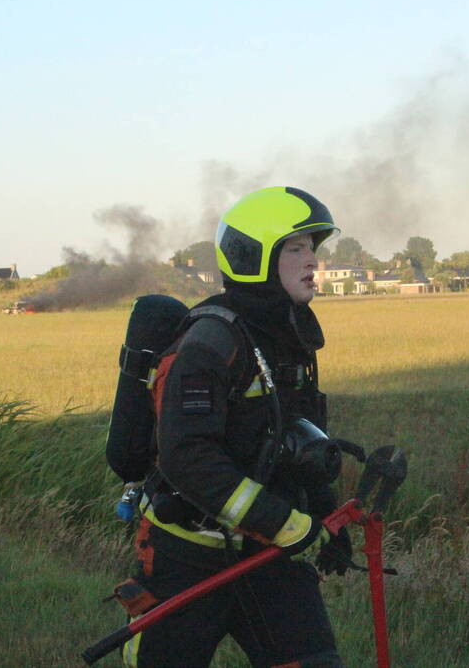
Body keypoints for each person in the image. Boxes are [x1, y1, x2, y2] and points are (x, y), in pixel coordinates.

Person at [122, 186, 350, 667]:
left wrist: (326, 518)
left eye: (314, 247)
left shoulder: (287, 338)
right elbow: (189, 459)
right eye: (295, 248)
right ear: (255, 257)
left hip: (268, 555)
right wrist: (284, 523)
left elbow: (297, 440)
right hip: (187, 556)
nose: (312, 261)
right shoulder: (210, 343)